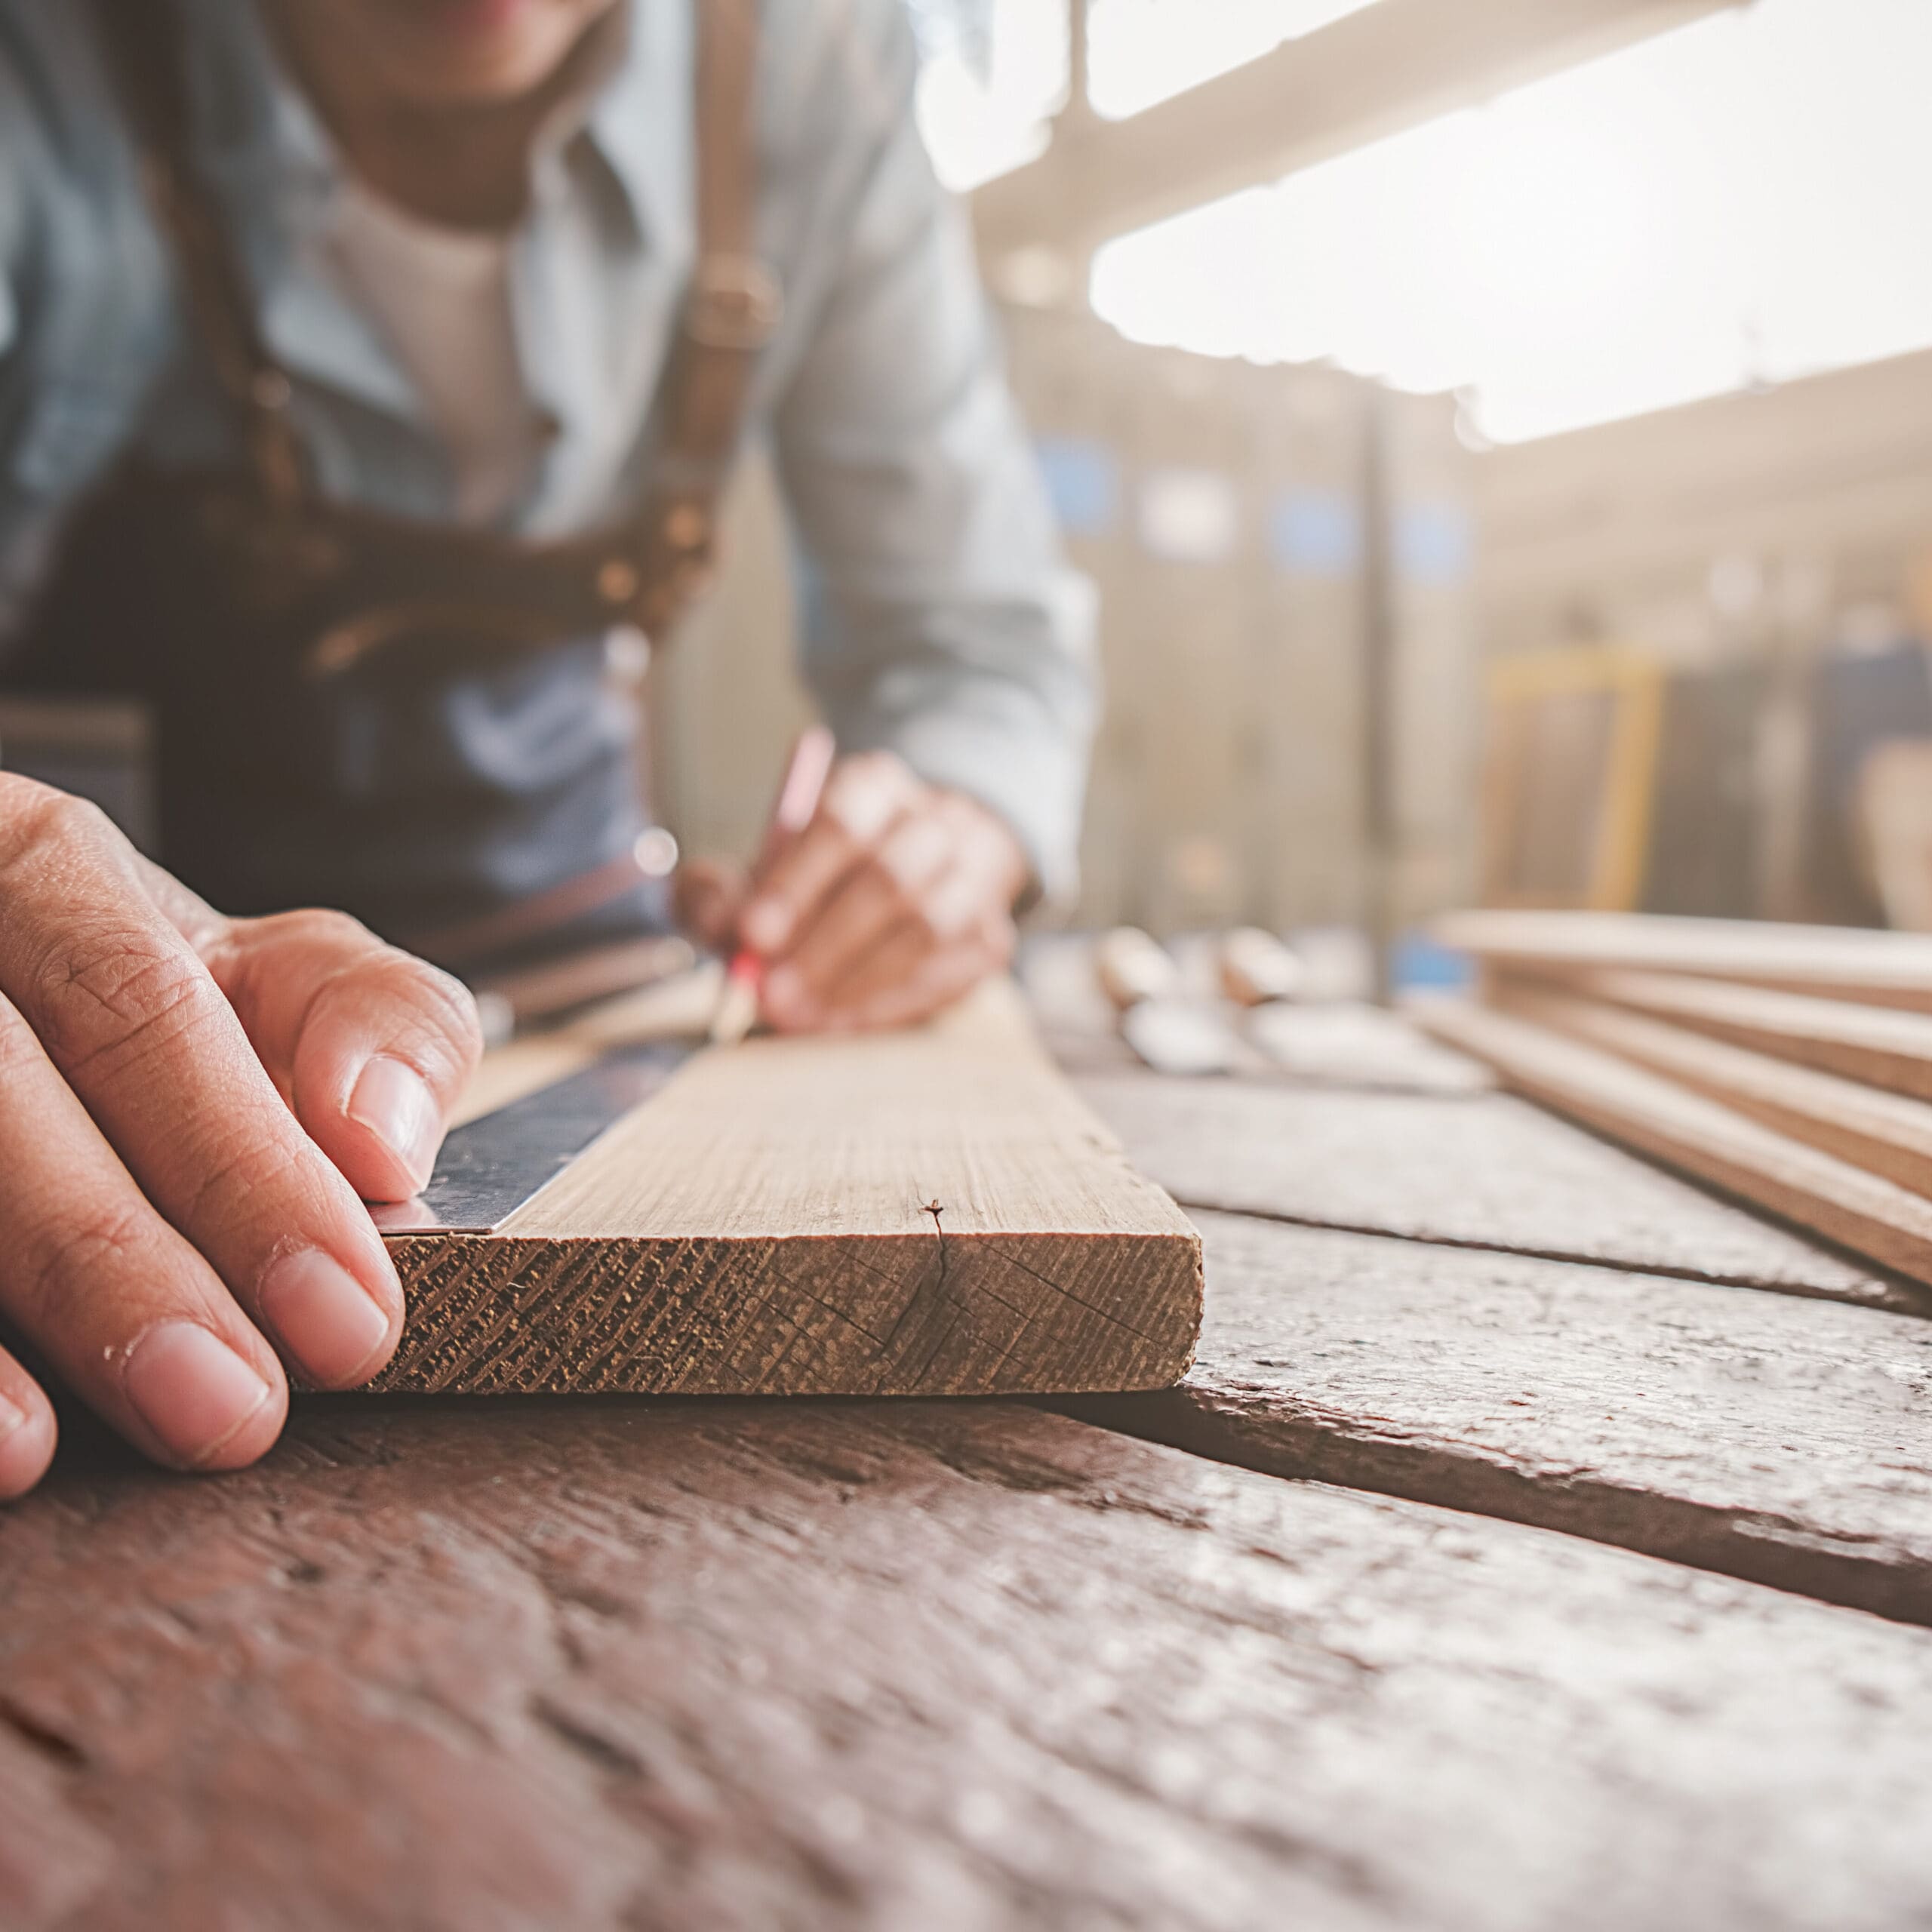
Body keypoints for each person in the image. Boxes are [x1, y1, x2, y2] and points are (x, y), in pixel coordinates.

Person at [0, 0, 1094, 1497]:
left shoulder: (815, 72)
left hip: (597, 960)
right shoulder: (51, 68)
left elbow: (976, 645)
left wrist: (955, 822)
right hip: (121, 1010)